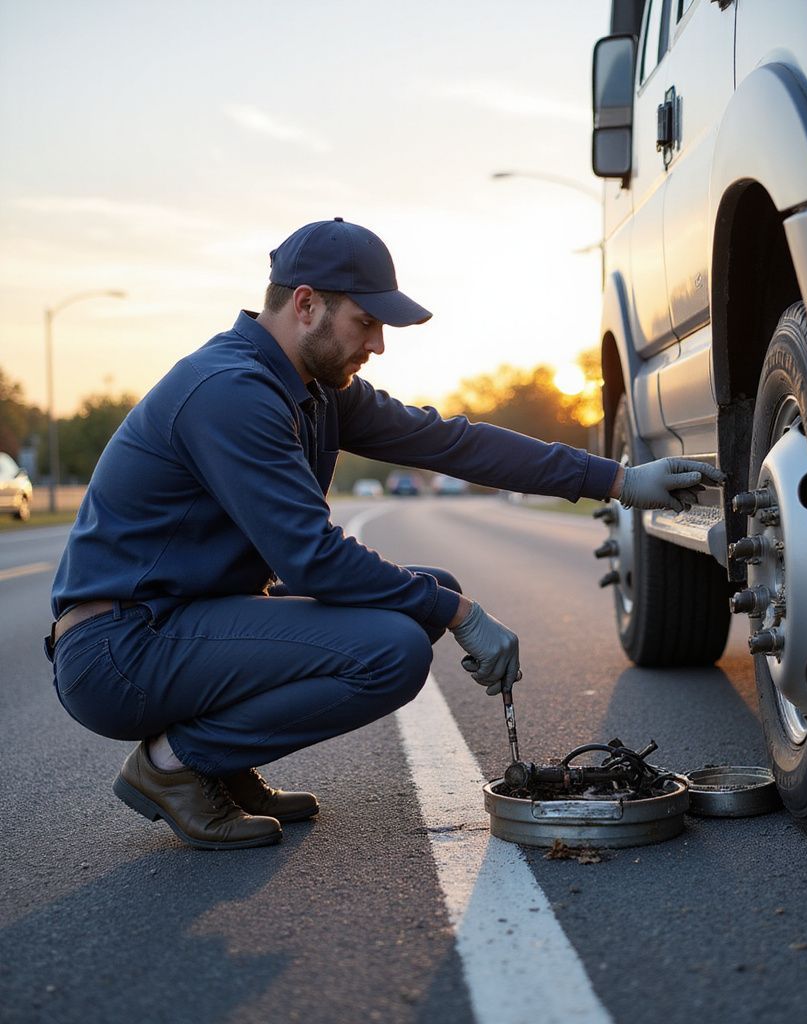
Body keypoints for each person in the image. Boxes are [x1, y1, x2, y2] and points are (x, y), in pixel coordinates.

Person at [45, 218, 725, 851]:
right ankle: (177, 763)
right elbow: (312, 560)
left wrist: (618, 480)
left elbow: (454, 444)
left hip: (181, 622)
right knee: (395, 647)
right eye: (365, 322)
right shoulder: (232, 392)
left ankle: (222, 764)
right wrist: (459, 616)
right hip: (121, 647)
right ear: (305, 305)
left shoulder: (312, 389)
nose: (377, 345)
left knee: (431, 591)